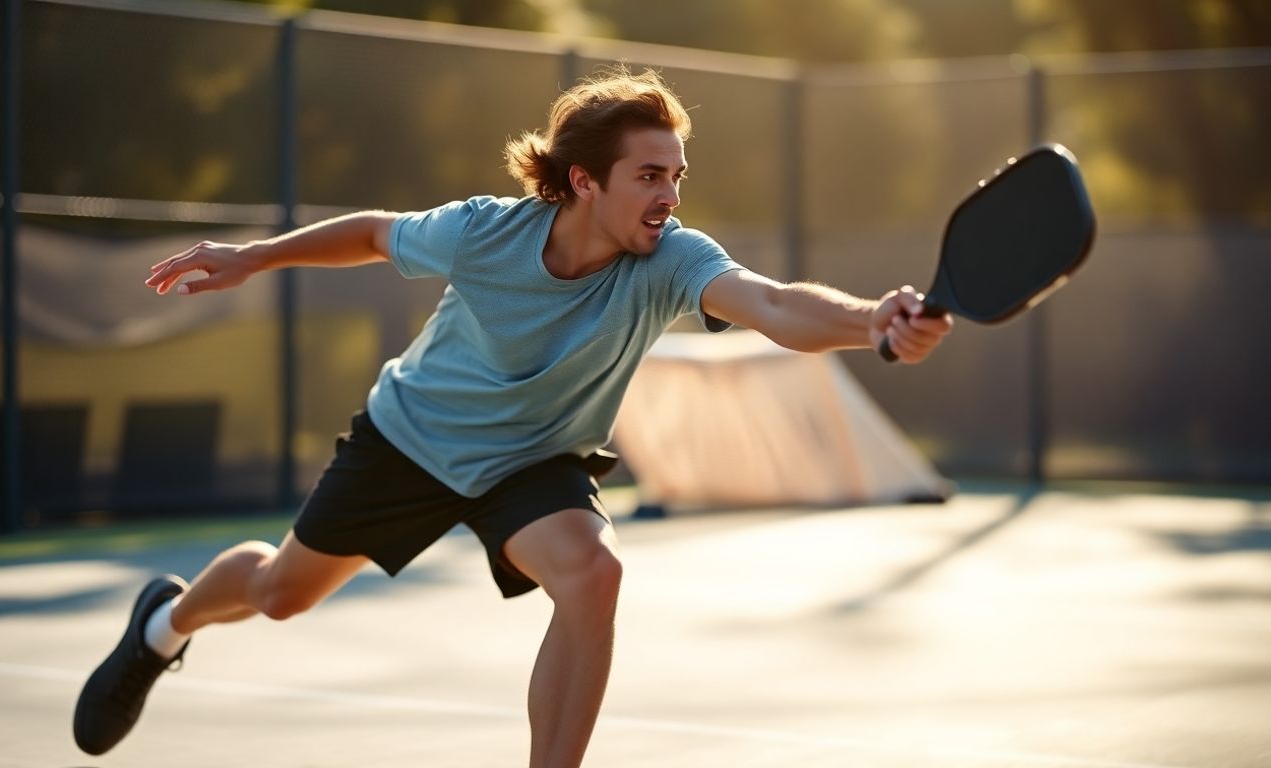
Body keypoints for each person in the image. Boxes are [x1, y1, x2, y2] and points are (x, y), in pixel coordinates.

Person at [72, 67, 952, 767]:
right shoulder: (483, 234)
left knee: (593, 575)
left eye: (676, 177)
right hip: (412, 438)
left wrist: (872, 321)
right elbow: (378, 233)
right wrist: (251, 257)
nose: (669, 197)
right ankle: (163, 624)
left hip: (536, 459)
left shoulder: (672, 258)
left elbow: (771, 303)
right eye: (650, 176)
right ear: (584, 181)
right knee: (278, 595)